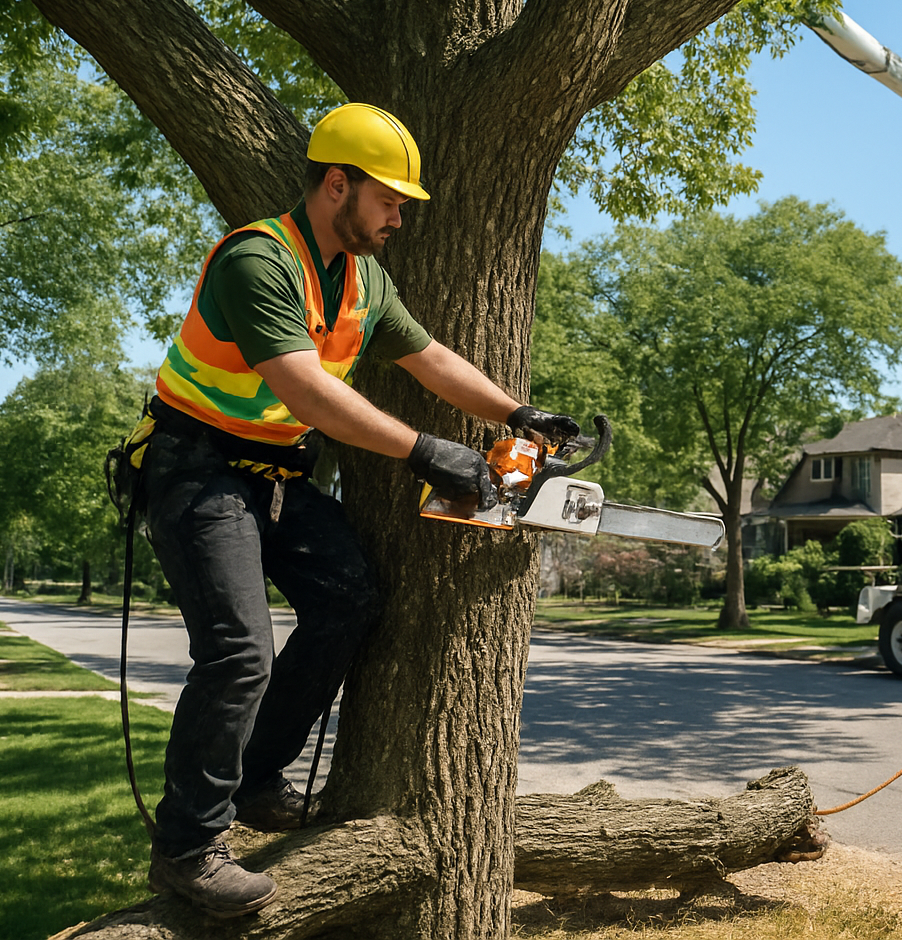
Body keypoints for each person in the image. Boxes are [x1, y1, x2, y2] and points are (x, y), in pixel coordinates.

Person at [131, 102, 578, 918]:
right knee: (238, 652)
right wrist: (428, 452)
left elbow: (429, 356)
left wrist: (517, 417)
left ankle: (257, 776)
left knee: (350, 599)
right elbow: (309, 391)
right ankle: (187, 850)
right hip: (195, 472)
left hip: (275, 474)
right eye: (390, 200)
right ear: (336, 185)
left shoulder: (365, 276)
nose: (400, 217)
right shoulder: (256, 261)